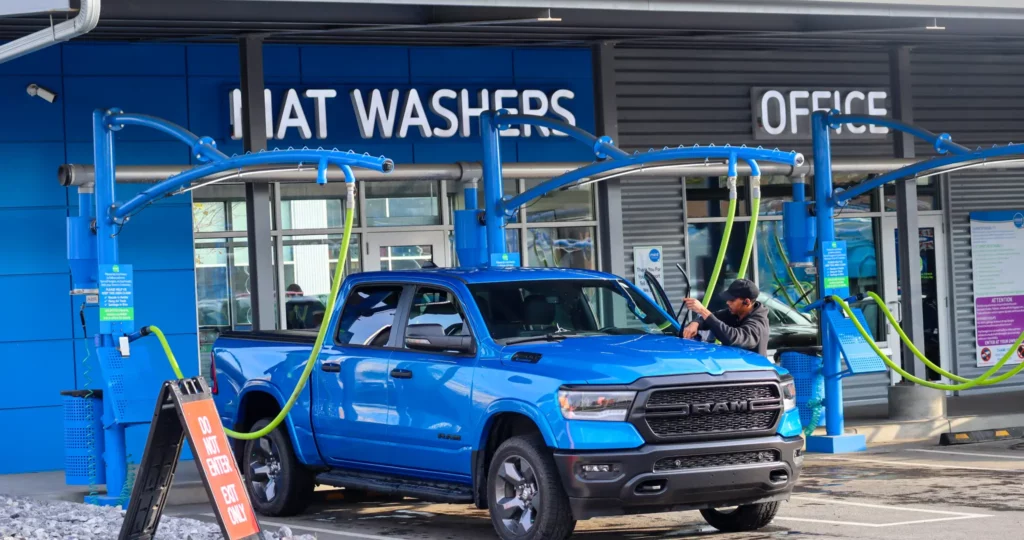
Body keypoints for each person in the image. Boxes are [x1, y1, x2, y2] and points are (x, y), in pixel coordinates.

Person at [680, 278, 770, 357]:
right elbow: (713, 318)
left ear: (747, 302)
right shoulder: (735, 313)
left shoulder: (758, 324)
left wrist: (702, 310)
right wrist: (695, 323)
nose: (727, 302)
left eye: (732, 300)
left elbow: (733, 338)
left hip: (753, 374)